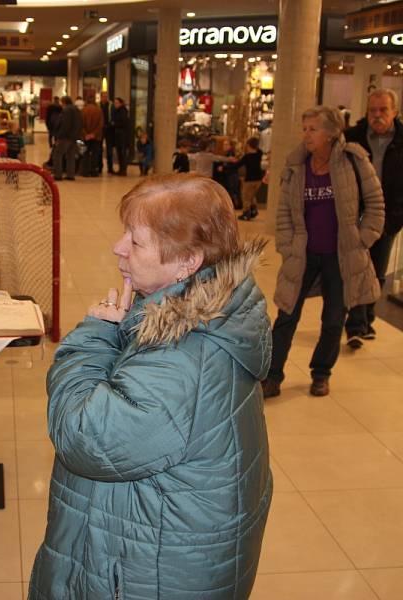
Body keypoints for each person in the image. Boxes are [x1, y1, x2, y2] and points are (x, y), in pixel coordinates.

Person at [28, 174, 272, 600]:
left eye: (136, 242)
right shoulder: (203, 311)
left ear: (188, 261)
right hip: (161, 551)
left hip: (152, 574)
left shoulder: (183, 358)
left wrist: (92, 338)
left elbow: (83, 436)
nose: (118, 247)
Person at [262, 106, 384, 399]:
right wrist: (288, 246)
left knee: (332, 320)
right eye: (304, 128)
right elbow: (283, 213)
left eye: (313, 129)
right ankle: (272, 376)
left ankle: (321, 373)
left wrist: (361, 240)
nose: (306, 135)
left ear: (331, 133)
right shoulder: (296, 165)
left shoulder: (354, 161)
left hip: (340, 257)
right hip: (303, 255)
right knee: (286, 316)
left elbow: (375, 204)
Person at [344, 89, 403, 348]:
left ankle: (367, 317)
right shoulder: (351, 138)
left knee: (377, 273)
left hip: (388, 218)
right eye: (372, 111)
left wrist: (396, 218)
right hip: (356, 217)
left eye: (383, 111)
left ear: (395, 113)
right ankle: (355, 325)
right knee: (358, 270)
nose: (377, 116)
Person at [51, 96, 82, 181]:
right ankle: (70, 174)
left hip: (65, 137)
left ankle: (58, 175)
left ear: (64, 102)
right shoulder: (76, 109)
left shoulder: (67, 110)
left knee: (57, 154)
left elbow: (65, 125)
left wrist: (59, 136)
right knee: (71, 156)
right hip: (74, 137)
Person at [234, 137, 265, 220]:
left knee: (246, 197)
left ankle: (246, 213)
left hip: (250, 180)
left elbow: (237, 165)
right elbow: (260, 150)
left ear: (248, 145)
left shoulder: (247, 157)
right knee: (252, 195)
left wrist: (225, 166)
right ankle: (254, 210)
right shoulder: (259, 154)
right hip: (258, 179)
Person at [81, 97, 103, 177]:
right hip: (96, 137)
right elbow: (101, 124)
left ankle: (85, 171)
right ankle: (94, 171)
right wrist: (94, 134)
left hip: (85, 137)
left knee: (84, 153)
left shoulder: (83, 110)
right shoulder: (99, 110)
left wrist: (86, 134)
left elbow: (80, 124)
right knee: (95, 154)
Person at [111, 97, 130, 175]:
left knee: (122, 153)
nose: (115, 104)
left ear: (121, 103)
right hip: (118, 135)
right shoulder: (117, 111)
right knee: (119, 153)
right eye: (114, 103)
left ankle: (123, 170)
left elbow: (123, 122)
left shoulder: (123, 111)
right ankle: (121, 169)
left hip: (123, 136)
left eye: (117, 103)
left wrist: (114, 124)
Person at [99, 92, 116, 174]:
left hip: (109, 130)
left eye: (106, 97)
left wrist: (110, 124)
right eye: (103, 96)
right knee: (99, 148)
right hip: (100, 129)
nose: (105, 98)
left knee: (109, 149)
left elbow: (113, 116)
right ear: (101, 97)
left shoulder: (111, 105)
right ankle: (99, 166)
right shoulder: (98, 105)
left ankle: (110, 167)